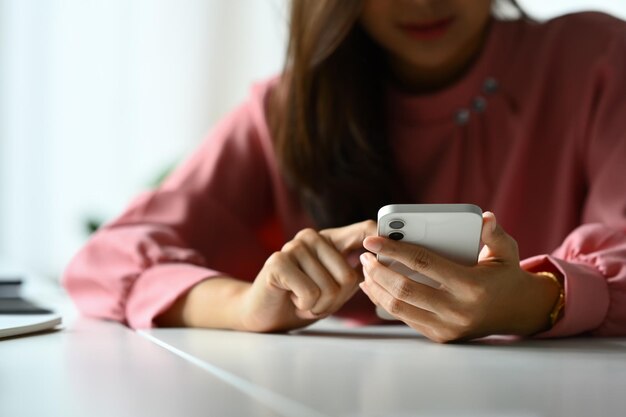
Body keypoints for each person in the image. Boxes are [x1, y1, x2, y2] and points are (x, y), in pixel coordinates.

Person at [63, 0, 626, 343]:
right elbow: (110, 258)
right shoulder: (289, 109)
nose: (425, 0)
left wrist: (535, 300)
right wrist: (246, 308)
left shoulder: (597, 58)